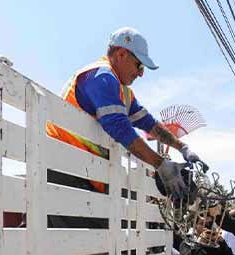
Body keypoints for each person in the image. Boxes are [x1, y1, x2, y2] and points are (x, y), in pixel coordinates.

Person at [46, 27, 204, 200]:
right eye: (139, 65)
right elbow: (119, 128)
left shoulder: (123, 92)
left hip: (86, 171)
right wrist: (161, 164)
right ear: (121, 55)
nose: (141, 73)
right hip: (63, 167)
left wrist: (182, 147)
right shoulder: (101, 76)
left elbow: (149, 124)